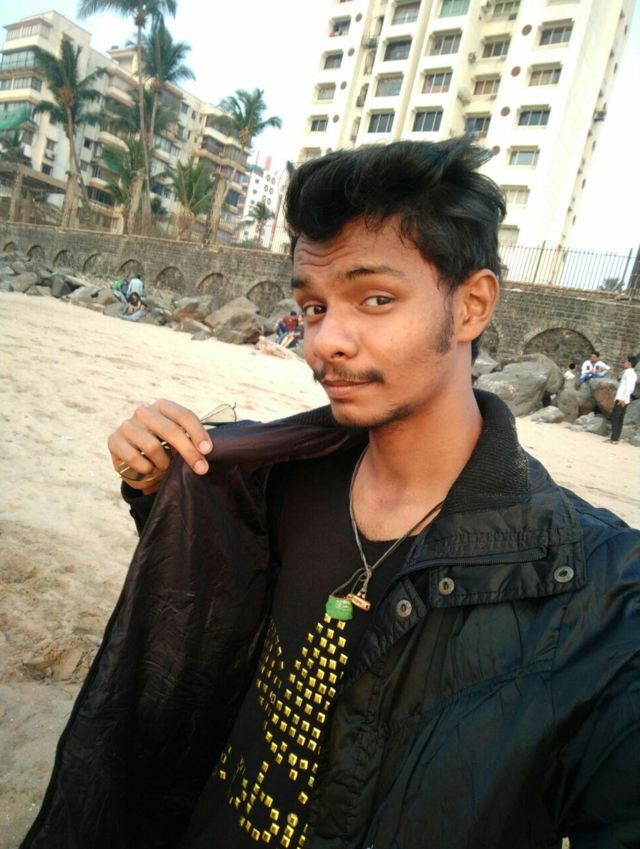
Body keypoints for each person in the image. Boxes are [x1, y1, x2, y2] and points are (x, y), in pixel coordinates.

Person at [21, 139, 640, 849]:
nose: (325, 342)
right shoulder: (278, 479)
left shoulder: (597, 594)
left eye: (375, 299)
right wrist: (164, 490)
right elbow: (212, 607)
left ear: (472, 306)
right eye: (312, 307)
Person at [609, 354, 638, 444]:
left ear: (629, 363)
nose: (624, 363)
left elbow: (629, 388)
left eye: (626, 361)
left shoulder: (629, 373)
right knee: (619, 418)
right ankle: (615, 438)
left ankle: (614, 438)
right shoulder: (631, 373)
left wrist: (623, 398)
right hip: (624, 398)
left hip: (622, 398)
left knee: (616, 417)